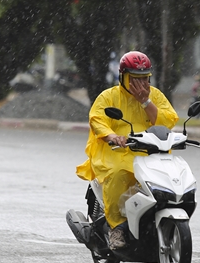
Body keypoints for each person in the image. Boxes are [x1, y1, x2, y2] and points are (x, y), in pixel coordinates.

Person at [76, 51, 178, 250]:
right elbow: (97, 119)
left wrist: (146, 102)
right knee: (119, 174)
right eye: (134, 78)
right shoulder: (109, 96)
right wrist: (112, 136)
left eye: (144, 78)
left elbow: (169, 120)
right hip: (116, 152)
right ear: (122, 76)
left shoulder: (155, 95)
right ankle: (117, 228)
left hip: (150, 153)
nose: (140, 84)